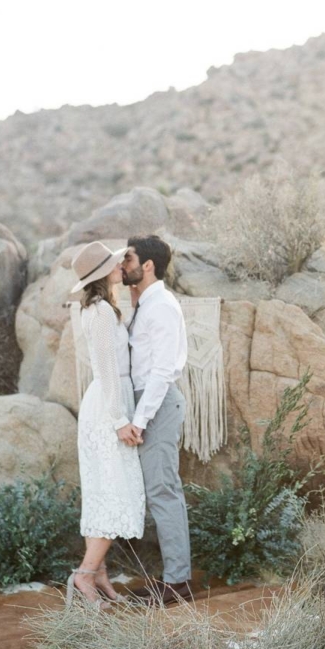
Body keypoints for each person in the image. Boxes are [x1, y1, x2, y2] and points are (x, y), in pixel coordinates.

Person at [66, 240, 145, 609]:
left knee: (103, 492)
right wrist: (118, 420)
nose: (120, 265)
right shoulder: (98, 313)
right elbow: (107, 369)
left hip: (110, 402)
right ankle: (84, 574)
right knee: (113, 492)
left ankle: (97, 575)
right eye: (115, 262)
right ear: (102, 274)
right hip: (107, 408)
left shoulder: (104, 309)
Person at [120, 234, 195, 604]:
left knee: (164, 491)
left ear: (147, 265)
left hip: (158, 404)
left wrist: (141, 419)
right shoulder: (146, 303)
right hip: (147, 403)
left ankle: (178, 583)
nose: (123, 264)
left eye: (129, 259)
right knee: (157, 491)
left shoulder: (162, 305)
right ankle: (173, 577)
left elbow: (162, 370)